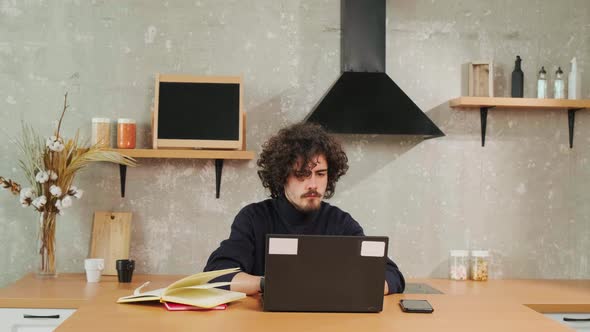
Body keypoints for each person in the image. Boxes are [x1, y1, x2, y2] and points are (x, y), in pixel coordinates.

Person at [204, 122, 405, 295]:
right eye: (302, 174)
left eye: (320, 174)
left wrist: (346, 287)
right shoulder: (254, 218)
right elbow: (217, 276)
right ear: (282, 177)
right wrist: (269, 283)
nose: (313, 184)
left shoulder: (340, 223)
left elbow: (391, 274)